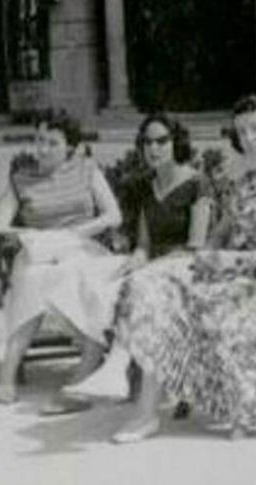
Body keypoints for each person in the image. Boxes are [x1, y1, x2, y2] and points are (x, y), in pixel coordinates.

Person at [70, 95, 256, 443]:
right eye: (242, 132)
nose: (248, 138)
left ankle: (134, 391)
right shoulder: (245, 181)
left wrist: (238, 260)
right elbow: (218, 236)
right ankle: (135, 398)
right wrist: (205, 256)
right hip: (229, 277)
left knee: (163, 291)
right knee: (149, 281)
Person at [55, 114, 212, 413]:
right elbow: (143, 244)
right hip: (153, 266)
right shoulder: (145, 187)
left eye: (162, 141)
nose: (154, 148)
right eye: (148, 142)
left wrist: (150, 265)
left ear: (176, 142)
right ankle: (98, 371)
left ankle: (113, 370)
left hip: (185, 268)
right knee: (102, 282)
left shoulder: (197, 184)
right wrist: (136, 260)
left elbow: (195, 247)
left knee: (136, 285)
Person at [0, 111, 123, 405]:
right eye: (39, 140)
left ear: (70, 148)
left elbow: (113, 215)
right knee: (29, 280)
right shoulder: (22, 179)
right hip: (40, 249)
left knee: (89, 280)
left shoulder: (87, 169)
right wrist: (32, 234)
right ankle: (7, 373)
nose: (43, 149)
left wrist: (78, 231)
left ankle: (84, 371)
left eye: (52, 142)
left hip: (80, 246)